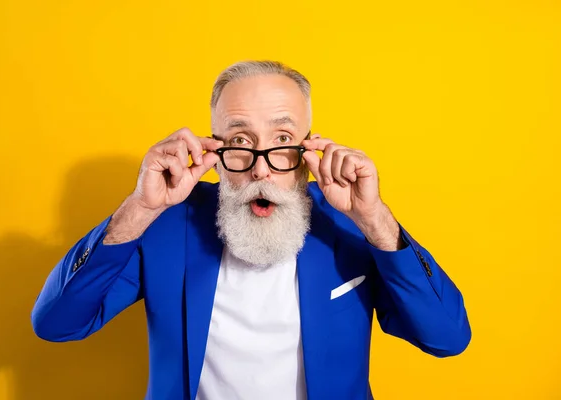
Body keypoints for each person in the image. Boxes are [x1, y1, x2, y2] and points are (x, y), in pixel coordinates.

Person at [31, 60, 471, 400]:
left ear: (310, 147)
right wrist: (139, 208)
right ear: (212, 148)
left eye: (282, 139)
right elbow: (57, 322)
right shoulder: (165, 223)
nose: (261, 168)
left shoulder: (354, 222)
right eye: (240, 141)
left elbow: (448, 338)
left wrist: (375, 219)